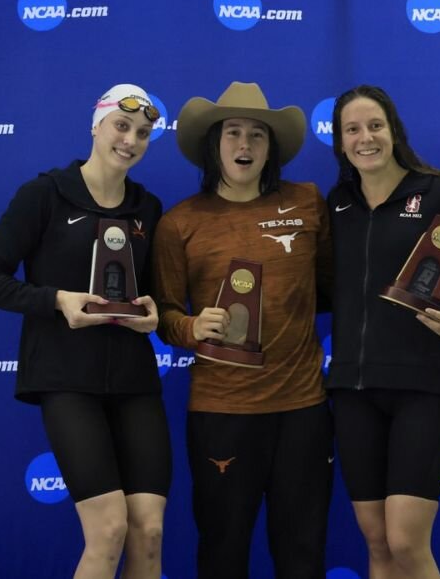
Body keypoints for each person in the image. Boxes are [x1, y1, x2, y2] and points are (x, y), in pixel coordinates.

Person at [0, 84, 170, 578]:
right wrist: (56, 301)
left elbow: (155, 297)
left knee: (148, 532)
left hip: (134, 382)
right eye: (121, 126)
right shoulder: (44, 194)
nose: (130, 140)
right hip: (66, 378)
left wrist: (156, 314)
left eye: (142, 133)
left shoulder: (148, 208)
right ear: (96, 126)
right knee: (108, 530)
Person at [150, 81, 333, 578]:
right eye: (233, 132)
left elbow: (332, 287)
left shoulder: (307, 202)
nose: (245, 144)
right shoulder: (179, 223)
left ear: (271, 147)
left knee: (302, 555)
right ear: (214, 143)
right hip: (221, 411)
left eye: (257, 134)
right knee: (223, 553)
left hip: (303, 409)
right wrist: (192, 326)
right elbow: (164, 315)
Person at [326, 85, 440, 579]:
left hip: (421, 387)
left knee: (407, 542)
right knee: (377, 542)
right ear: (340, 141)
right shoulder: (337, 205)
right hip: (352, 390)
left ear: (394, 131)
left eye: (375, 126)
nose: (365, 138)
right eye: (352, 129)